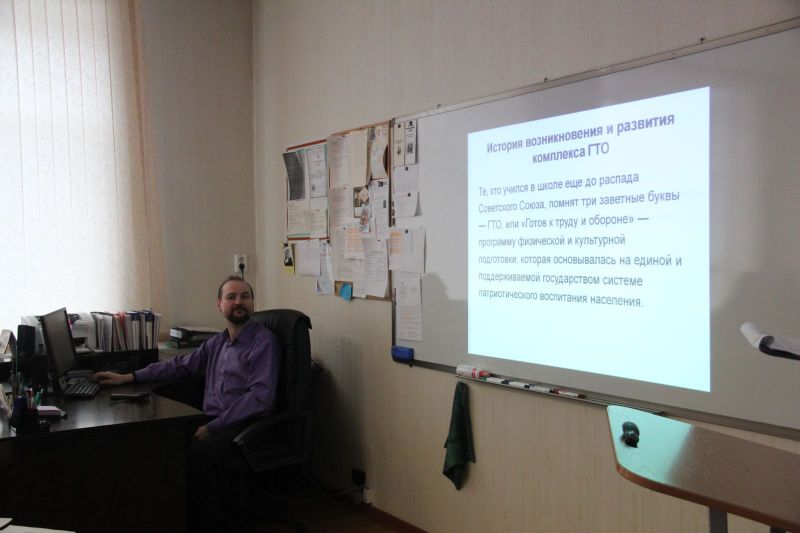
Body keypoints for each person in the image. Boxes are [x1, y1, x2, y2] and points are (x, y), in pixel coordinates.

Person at [93, 275, 280, 532]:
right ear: (219, 305)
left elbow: (259, 398)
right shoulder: (218, 342)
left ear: (253, 303)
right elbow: (180, 366)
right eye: (231, 297)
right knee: (160, 441)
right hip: (214, 419)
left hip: (246, 425)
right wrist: (130, 377)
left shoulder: (263, 341)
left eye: (245, 296)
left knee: (194, 459)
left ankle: (210, 525)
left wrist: (211, 428)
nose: (239, 302)